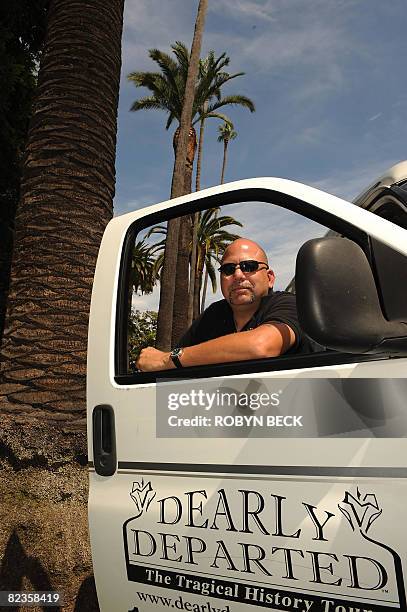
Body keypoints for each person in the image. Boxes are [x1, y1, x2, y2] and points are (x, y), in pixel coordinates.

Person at [136, 238, 305, 372]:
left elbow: (262, 346)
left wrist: (167, 359)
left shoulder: (288, 304)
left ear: (269, 278)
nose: (238, 274)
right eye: (229, 269)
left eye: (249, 266)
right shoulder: (214, 315)